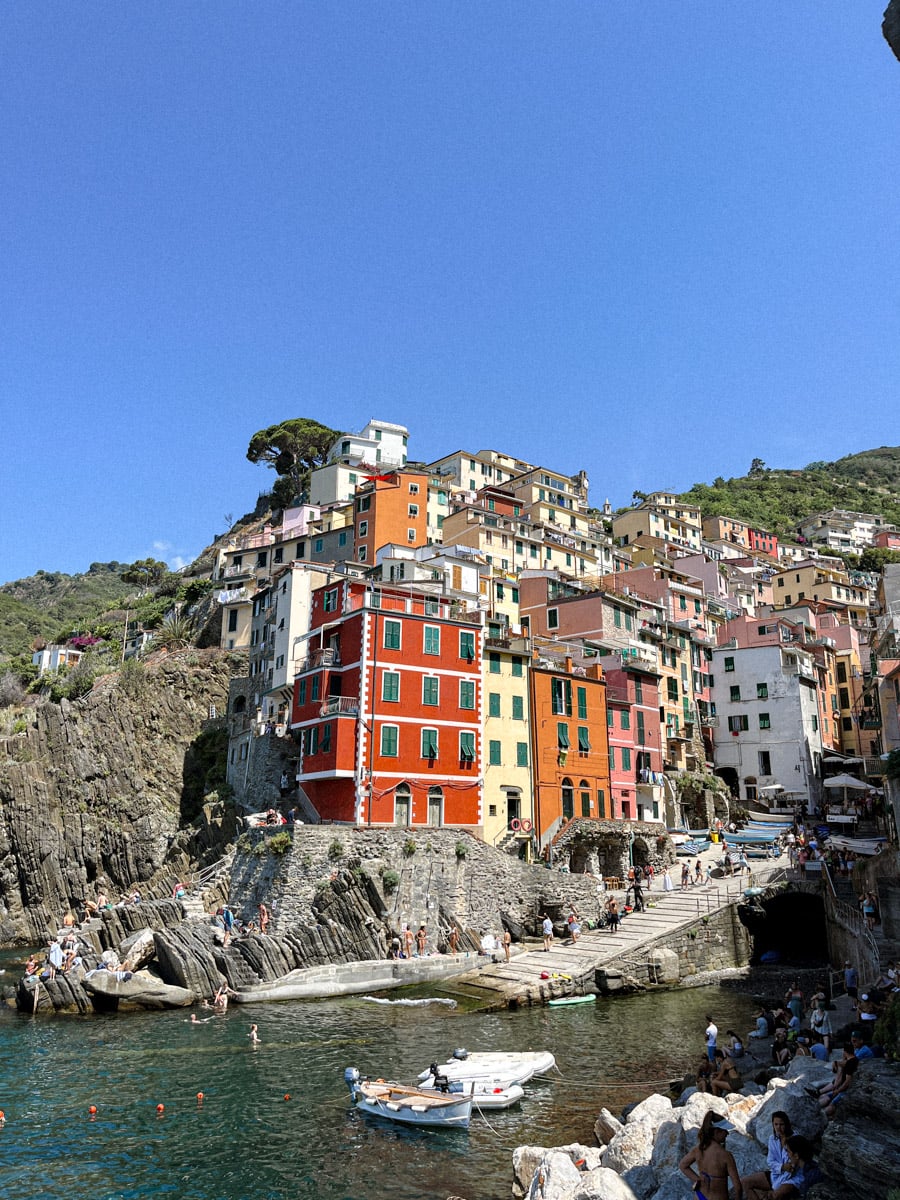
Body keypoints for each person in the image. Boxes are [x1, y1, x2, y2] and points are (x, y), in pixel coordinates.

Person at [679, 1113, 742, 1200]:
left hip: (700, 1196)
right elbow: (737, 1186)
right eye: (725, 1131)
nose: (727, 1133)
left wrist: (697, 1179)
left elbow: (682, 1165)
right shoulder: (725, 1155)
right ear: (716, 1132)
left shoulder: (698, 1150)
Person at [740, 1111, 793, 1200]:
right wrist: (782, 1167)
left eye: (781, 1124)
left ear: (786, 1124)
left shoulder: (795, 1138)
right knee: (745, 1182)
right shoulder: (772, 1139)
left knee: (774, 1196)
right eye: (776, 1124)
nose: (778, 1128)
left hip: (790, 1177)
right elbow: (770, 1161)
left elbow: (794, 1164)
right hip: (776, 1173)